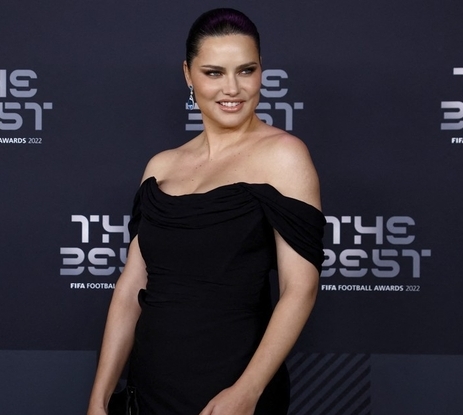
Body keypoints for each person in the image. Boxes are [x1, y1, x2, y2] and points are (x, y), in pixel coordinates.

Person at [87, 7, 325, 415]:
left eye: (246, 71)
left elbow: (299, 288)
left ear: (261, 71)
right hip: (148, 390)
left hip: (230, 394)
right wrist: (99, 398)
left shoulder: (284, 156)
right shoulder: (161, 166)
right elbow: (130, 289)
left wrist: (247, 392)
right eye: (214, 73)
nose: (232, 88)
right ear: (188, 75)